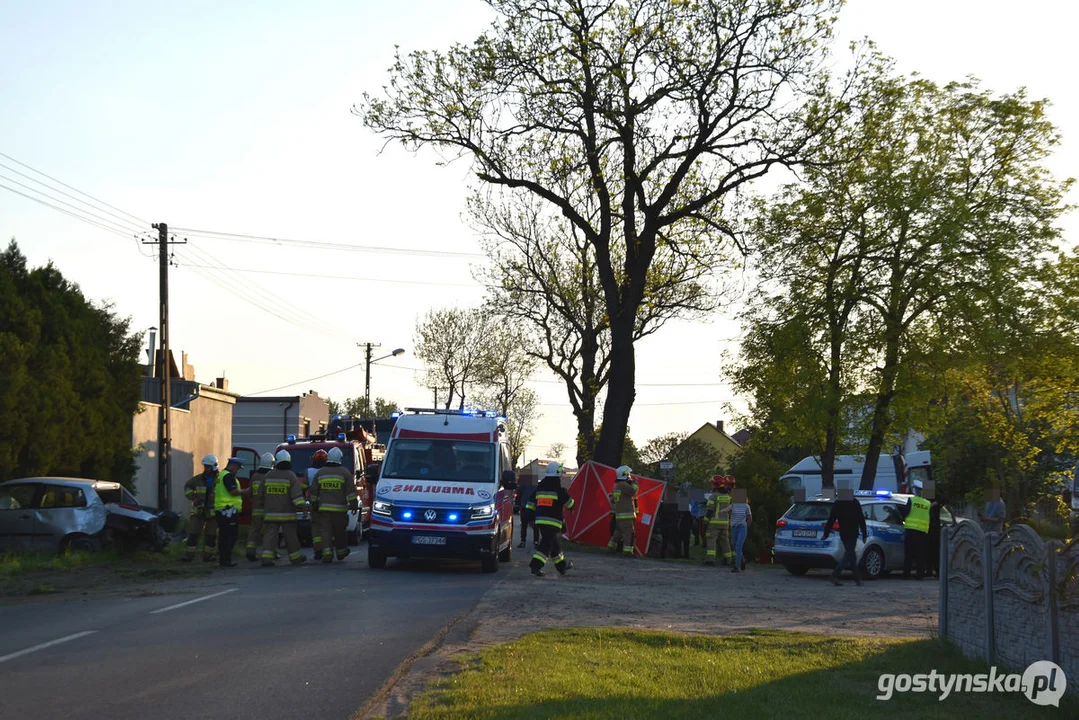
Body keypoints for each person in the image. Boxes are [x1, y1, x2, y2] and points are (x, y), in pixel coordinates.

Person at [259, 450, 308, 567]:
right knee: (290, 536)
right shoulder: (291, 476)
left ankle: (266, 558)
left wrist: (262, 506)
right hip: (287, 514)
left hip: (270, 513)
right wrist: (304, 507)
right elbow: (296, 496)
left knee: (270, 535)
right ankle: (296, 558)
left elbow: (260, 495)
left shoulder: (268, 475)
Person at [310, 447, 358, 563]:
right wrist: (354, 505)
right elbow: (351, 492)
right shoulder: (345, 472)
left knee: (325, 531)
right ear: (340, 459)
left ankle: (327, 553)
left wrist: (314, 505)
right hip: (339, 510)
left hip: (324, 509)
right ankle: (341, 552)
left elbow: (314, 492)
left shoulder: (320, 472)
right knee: (340, 531)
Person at [528, 462, 576, 577]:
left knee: (554, 545)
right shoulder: (559, 490)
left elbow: (530, 504)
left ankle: (562, 567)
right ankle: (536, 565)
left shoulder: (539, 488)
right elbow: (570, 505)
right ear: (558, 473)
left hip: (540, 522)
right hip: (553, 522)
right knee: (546, 545)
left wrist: (530, 518)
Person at [821, 490, 868, 586]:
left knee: (851, 556)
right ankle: (835, 574)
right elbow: (861, 519)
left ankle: (858, 579)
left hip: (843, 533)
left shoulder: (838, 503)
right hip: (852, 533)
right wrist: (864, 534)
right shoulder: (854, 502)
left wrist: (826, 534)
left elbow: (831, 519)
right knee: (849, 554)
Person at [182, 455, 219, 562]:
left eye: (208, 467)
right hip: (198, 512)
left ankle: (208, 557)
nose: (206, 468)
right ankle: (189, 556)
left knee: (211, 536)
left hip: (213, 513)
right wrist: (194, 498)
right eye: (205, 466)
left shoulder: (220, 480)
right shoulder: (197, 479)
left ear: (214, 467)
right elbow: (187, 487)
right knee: (193, 534)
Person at [214, 457, 246, 567]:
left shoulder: (221, 475)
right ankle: (225, 559)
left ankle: (224, 559)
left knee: (224, 536)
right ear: (233, 466)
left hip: (223, 511)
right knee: (230, 536)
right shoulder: (228, 476)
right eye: (238, 468)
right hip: (228, 511)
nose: (238, 471)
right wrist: (245, 491)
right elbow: (233, 491)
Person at [899, 481, 931, 580]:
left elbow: (906, 512)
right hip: (922, 531)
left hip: (911, 529)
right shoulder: (927, 503)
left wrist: (902, 519)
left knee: (908, 553)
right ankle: (919, 574)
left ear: (915, 490)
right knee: (920, 554)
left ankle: (906, 574)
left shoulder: (911, 500)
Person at [246, 452, 274, 561]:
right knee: (270, 531)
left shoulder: (254, 476)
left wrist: (254, 502)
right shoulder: (271, 476)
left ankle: (250, 552)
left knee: (254, 531)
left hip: (256, 509)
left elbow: (249, 493)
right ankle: (271, 553)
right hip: (268, 510)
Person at [606, 465, 637, 557]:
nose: (629, 476)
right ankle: (627, 552)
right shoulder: (623, 485)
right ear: (625, 475)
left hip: (619, 515)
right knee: (629, 534)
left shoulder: (617, 485)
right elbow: (633, 491)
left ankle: (611, 548)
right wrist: (635, 483)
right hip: (626, 516)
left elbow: (613, 500)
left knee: (617, 534)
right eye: (628, 474)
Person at [703, 476, 733, 567]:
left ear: (715, 485)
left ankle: (710, 560)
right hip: (725, 524)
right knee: (725, 542)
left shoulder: (713, 496)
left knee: (711, 541)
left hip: (714, 523)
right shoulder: (728, 496)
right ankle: (728, 560)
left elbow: (710, 510)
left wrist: (705, 521)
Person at [722, 486, 752, 573]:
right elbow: (727, 509)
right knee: (734, 545)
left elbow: (750, 518)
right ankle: (742, 560)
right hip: (734, 527)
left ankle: (736, 566)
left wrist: (746, 526)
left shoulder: (746, 506)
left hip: (742, 527)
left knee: (739, 545)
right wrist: (721, 511)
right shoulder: (733, 505)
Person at [308, 448, 329, 558]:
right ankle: (327, 550)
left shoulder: (309, 472)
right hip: (327, 504)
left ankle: (317, 550)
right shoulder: (328, 472)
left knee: (316, 529)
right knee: (326, 528)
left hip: (314, 504)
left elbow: (303, 488)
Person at [518, 482, 540, 549]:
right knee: (535, 526)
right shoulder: (537, 485)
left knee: (524, 525)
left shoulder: (523, 485)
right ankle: (535, 542)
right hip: (533, 507)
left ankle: (523, 541)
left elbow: (518, 493)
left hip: (526, 506)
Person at [676, 481, 694, 559]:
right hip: (686, 527)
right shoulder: (687, 510)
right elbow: (691, 519)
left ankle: (678, 554)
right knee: (686, 541)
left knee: (679, 541)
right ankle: (686, 555)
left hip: (680, 526)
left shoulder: (678, 509)